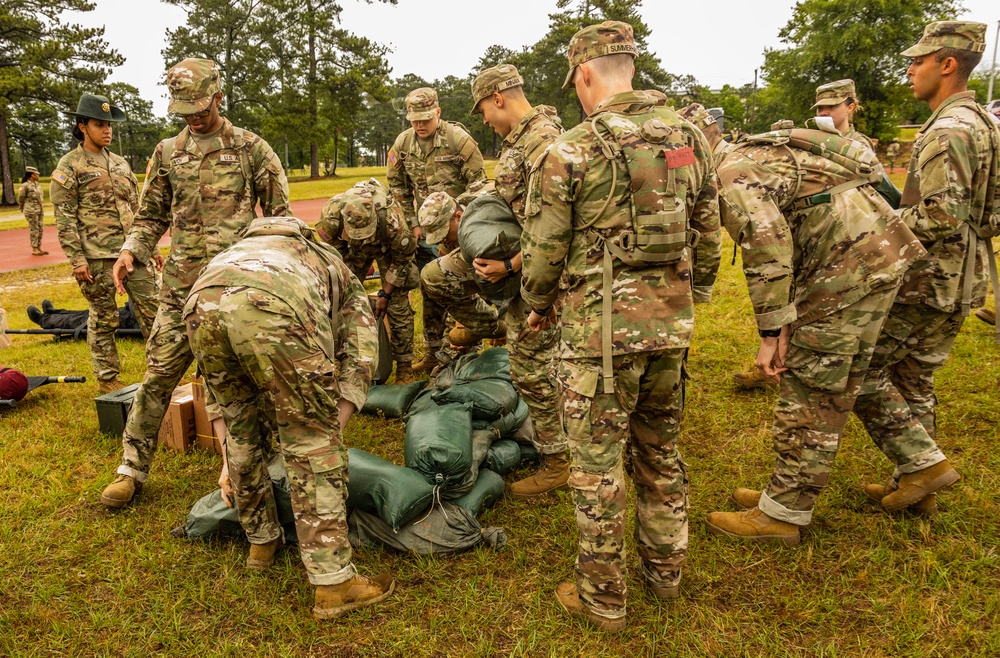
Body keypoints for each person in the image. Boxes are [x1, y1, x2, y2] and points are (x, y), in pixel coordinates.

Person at [521, 21, 721, 630]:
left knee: (598, 467)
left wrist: (536, 302)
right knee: (661, 451)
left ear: (585, 74)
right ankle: (666, 572)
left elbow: (544, 251)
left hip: (597, 340)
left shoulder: (572, 149)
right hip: (669, 331)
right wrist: (696, 294)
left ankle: (603, 596)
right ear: (629, 66)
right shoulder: (689, 141)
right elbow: (708, 230)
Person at [704, 116, 927, 543]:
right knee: (851, 379)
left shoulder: (730, 172)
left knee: (811, 386)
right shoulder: (755, 154)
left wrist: (772, 333)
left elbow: (767, 245)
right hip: (877, 251)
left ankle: (784, 512)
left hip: (847, 269)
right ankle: (924, 466)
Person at [100, 58, 289, 509]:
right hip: (181, 286)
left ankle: (256, 462)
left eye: (200, 107)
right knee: (159, 373)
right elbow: (150, 216)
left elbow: (280, 221)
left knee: (247, 380)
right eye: (184, 109)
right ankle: (131, 469)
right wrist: (131, 251)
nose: (193, 116)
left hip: (235, 287)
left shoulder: (251, 148)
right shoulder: (167, 153)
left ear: (219, 96)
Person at [184, 215, 393, 619]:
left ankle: (261, 542)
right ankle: (334, 584)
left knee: (243, 432)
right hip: (272, 306)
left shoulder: (231, 254)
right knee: (311, 441)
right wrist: (324, 429)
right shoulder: (327, 259)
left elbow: (222, 401)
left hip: (199, 306)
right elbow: (362, 352)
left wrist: (230, 460)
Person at [852, 21, 998, 513]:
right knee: (914, 378)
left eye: (919, 61)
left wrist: (876, 221)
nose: (910, 69)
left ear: (948, 64)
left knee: (861, 370)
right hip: (963, 275)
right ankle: (916, 491)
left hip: (927, 280)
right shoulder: (982, 122)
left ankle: (923, 465)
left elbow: (939, 213)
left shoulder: (948, 130)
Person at [468, 63, 570, 498]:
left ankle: (558, 461)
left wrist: (510, 267)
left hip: (540, 279)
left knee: (532, 369)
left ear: (498, 98)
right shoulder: (527, 140)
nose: (485, 120)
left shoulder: (541, 143)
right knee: (545, 366)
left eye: (483, 111)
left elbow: (555, 224)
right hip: (531, 274)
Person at [50, 94, 159, 394]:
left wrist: (152, 248)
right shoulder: (69, 165)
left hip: (133, 253)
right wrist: (77, 260)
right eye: (100, 124)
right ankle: (109, 378)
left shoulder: (121, 164)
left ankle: (161, 373)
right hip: (96, 258)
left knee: (155, 310)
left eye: (109, 125)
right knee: (104, 316)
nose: (107, 130)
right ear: (82, 126)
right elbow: (65, 218)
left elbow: (137, 210)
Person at [386, 87, 487, 372]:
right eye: (414, 119)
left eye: (425, 119)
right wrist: (414, 223)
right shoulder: (403, 145)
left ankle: (468, 349)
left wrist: (463, 223)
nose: (419, 125)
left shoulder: (458, 140)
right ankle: (433, 351)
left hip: (458, 230)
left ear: (438, 113)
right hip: (427, 232)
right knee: (429, 289)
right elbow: (397, 188)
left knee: (463, 289)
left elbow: (479, 184)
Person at [315, 178, 419, 383]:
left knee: (398, 304)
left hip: (386, 248)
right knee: (335, 300)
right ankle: (338, 360)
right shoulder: (331, 216)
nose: (362, 236)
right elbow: (330, 257)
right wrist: (343, 288)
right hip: (351, 249)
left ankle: (404, 366)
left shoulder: (392, 221)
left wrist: (385, 294)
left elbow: (402, 259)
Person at [418, 191, 509, 349]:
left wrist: (503, 321)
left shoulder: (488, 225)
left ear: (459, 217)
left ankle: (506, 327)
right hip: (483, 269)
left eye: (444, 232)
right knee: (434, 277)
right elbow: (456, 283)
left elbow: (516, 274)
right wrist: (460, 324)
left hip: (524, 268)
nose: (442, 239)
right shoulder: (452, 228)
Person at [813, 79, 876, 152]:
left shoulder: (859, 145)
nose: (823, 113)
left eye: (831, 106)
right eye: (820, 108)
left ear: (850, 108)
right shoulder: (809, 139)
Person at [18, 166, 46, 256]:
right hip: (31, 210)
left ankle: (38, 247)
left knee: (40, 228)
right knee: (34, 229)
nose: (38, 175)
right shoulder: (25, 185)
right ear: (31, 175)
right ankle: (34, 249)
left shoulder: (37, 184)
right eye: (36, 174)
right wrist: (22, 207)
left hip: (39, 209)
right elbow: (21, 197)